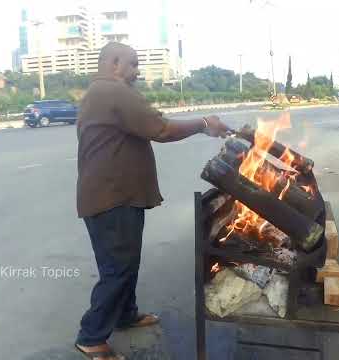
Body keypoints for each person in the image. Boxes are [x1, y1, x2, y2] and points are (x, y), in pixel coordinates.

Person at [75, 42, 230, 360]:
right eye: (132, 64)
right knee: (117, 268)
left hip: (118, 196)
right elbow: (161, 129)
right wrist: (204, 125)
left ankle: (125, 314)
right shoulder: (112, 91)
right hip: (111, 198)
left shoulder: (101, 92)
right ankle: (91, 337)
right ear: (114, 63)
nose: (137, 71)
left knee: (126, 263)